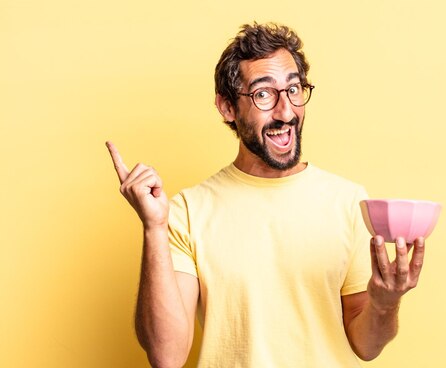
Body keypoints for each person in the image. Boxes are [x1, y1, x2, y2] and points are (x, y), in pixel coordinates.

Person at [106, 22, 426, 368]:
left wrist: (385, 304)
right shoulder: (187, 211)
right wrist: (154, 227)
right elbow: (166, 356)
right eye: (263, 94)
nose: (286, 112)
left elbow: (367, 346)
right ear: (227, 107)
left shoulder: (349, 202)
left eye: (293, 90)